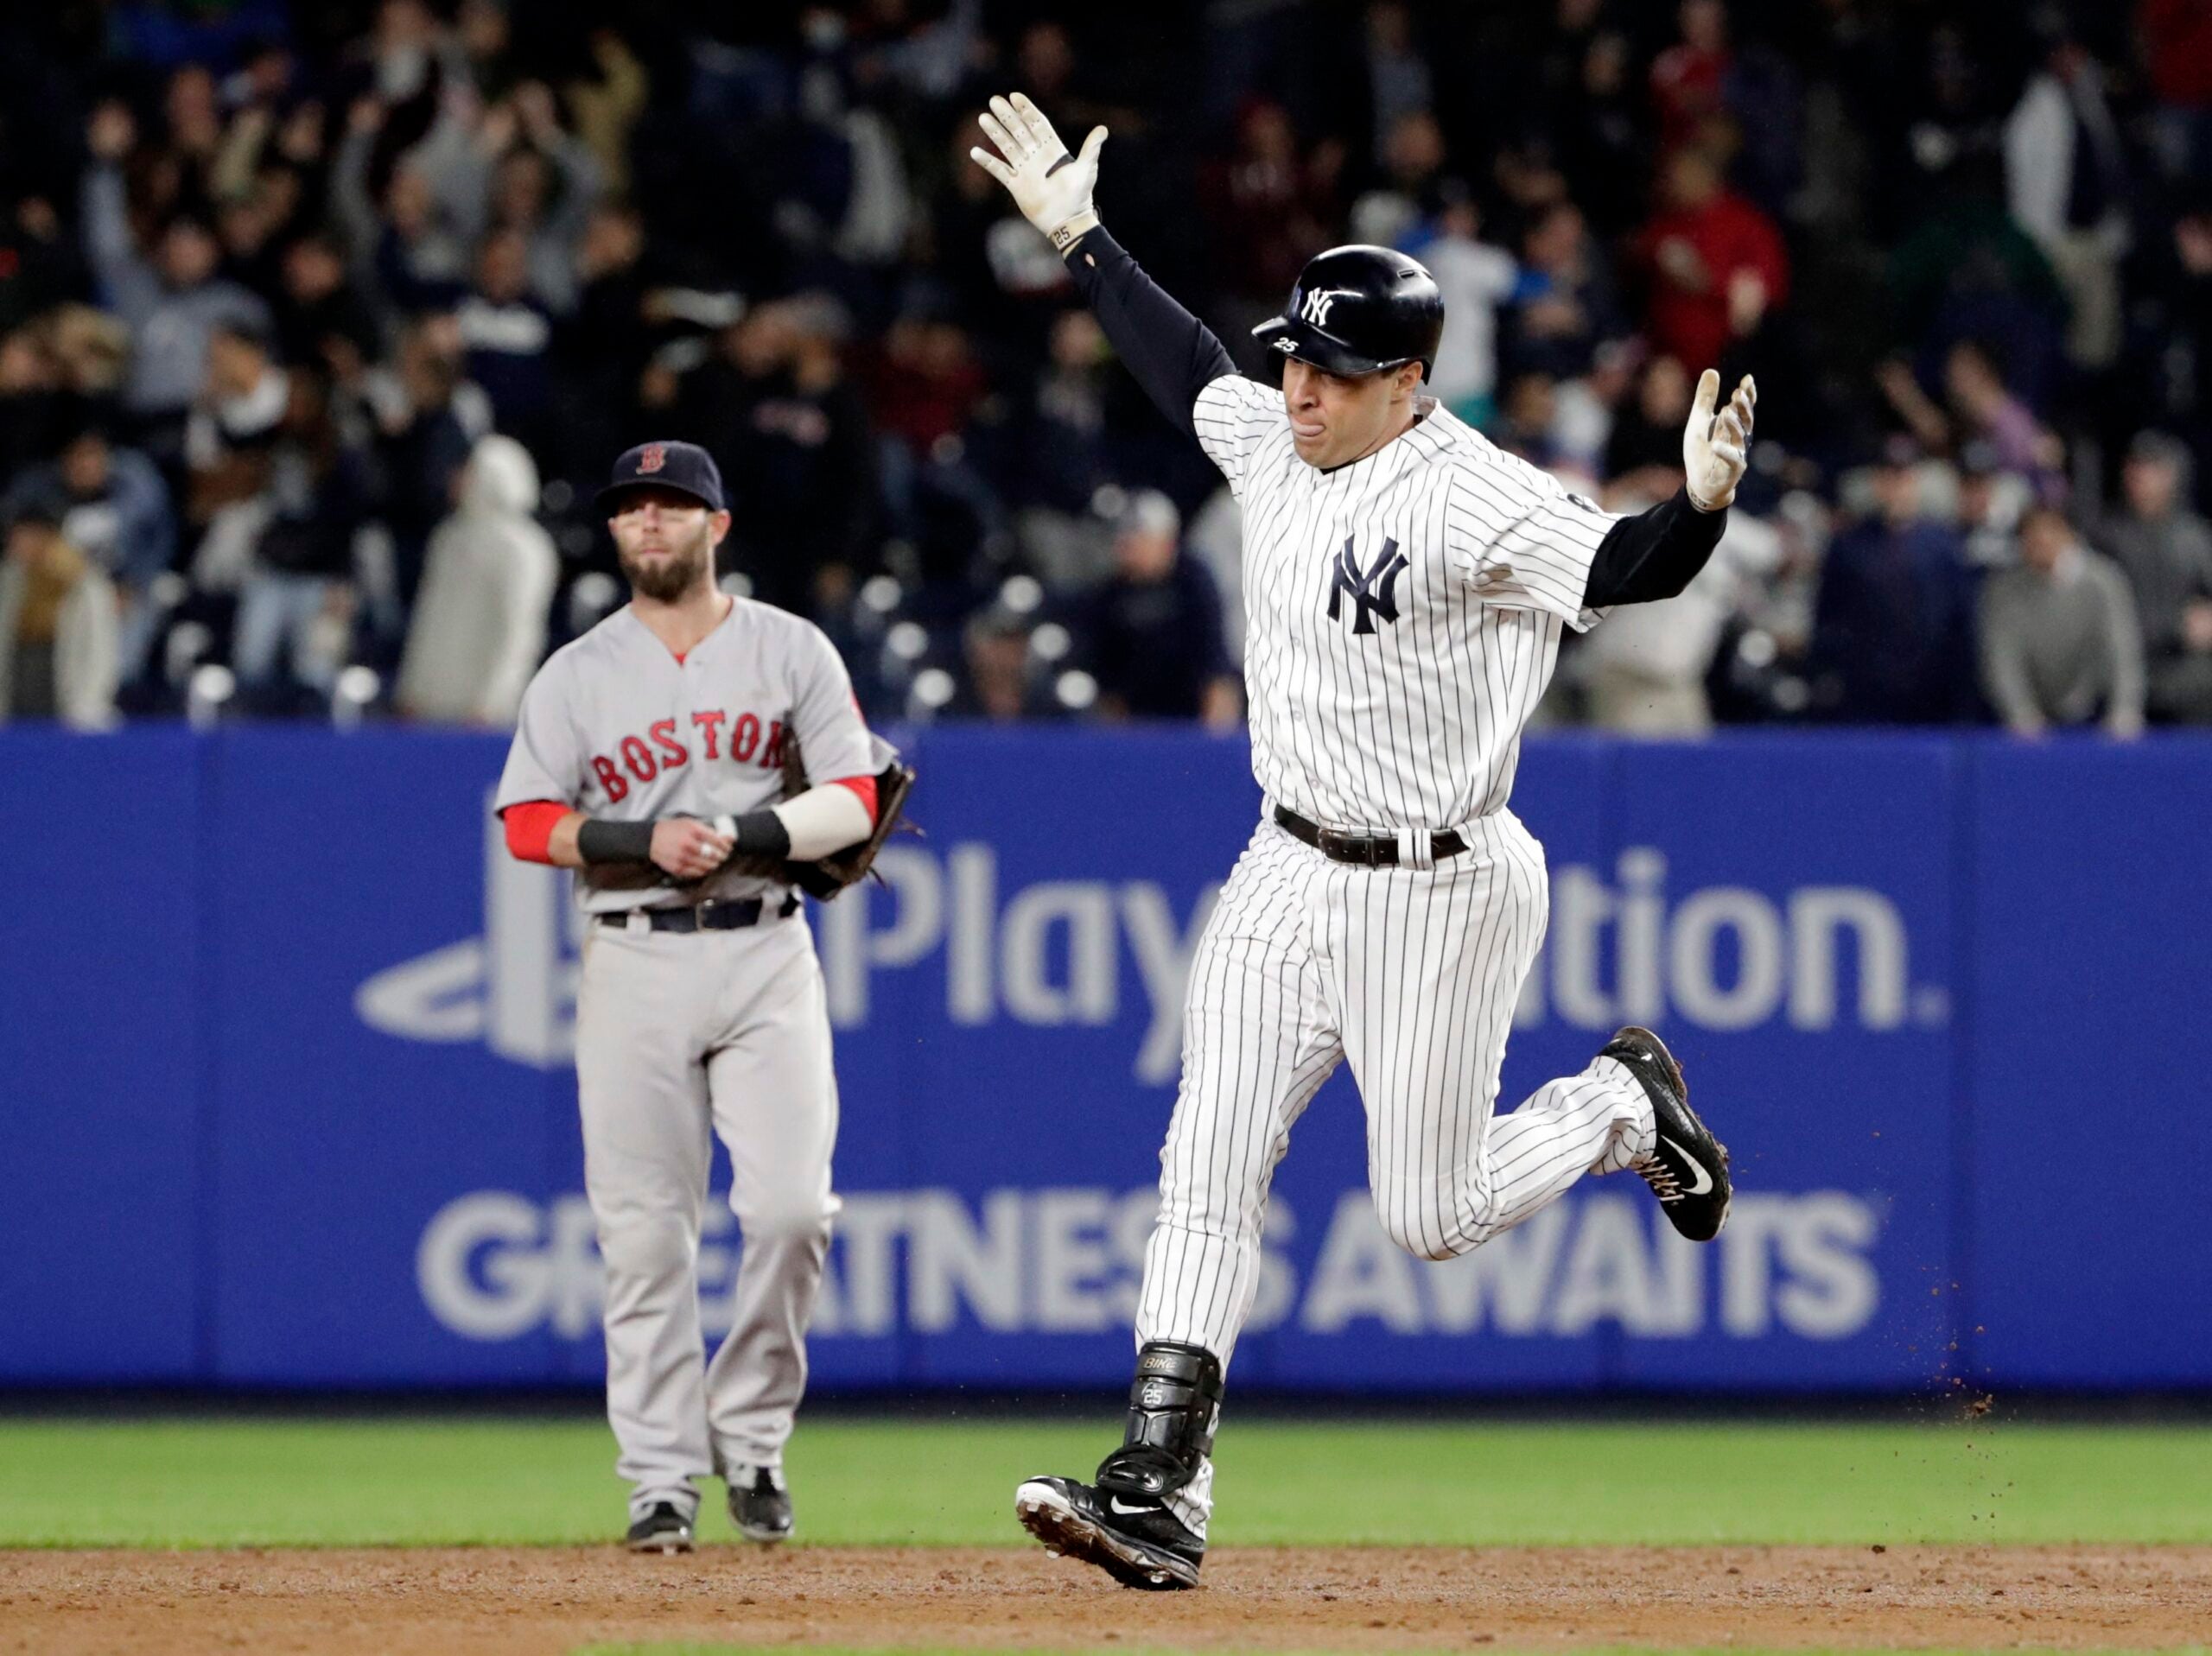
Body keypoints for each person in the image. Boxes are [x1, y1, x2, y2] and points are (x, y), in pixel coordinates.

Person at [971, 92, 1746, 1590]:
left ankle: (1619, 1108)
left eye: (1329, 369)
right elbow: (1179, 360)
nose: (1298, 388)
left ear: (1406, 378)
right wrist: (1075, 233)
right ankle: (1160, 1484)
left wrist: (1701, 506)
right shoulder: (1272, 440)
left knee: (1433, 1217)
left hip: (1441, 884)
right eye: (1295, 358)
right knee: (1203, 1163)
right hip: (1285, 862)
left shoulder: (1478, 497)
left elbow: (1627, 562)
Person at [493, 440, 880, 1554]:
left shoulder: (788, 649)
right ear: (613, 532)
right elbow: (527, 824)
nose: (649, 523)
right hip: (632, 954)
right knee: (645, 1238)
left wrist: (749, 833)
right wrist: (641, 838)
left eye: (672, 506)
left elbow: (855, 795)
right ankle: (661, 1477)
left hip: (764, 945)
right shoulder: (576, 672)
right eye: (632, 509)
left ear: (717, 526)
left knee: (792, 1214)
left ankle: (751, 1436)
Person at [396, 433, 556, 725]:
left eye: (468, 469)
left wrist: (494, 701)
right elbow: (428, 619)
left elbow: (519, 629)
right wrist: (412, 688)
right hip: (431, 706)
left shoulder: (524, 547)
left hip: (480, 713)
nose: (457, 478)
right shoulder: (448, 537)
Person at [1978, 505, 2145, 739]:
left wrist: (2125, 710)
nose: (2041, 540)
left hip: (2093, 707)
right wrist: (2021, 714)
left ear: (2070, 534)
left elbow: (2122, 650)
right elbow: (2002, 659)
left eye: (2050, 530)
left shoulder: (2104, 582)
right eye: (2032, 533)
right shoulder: (2004, 591)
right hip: (2031, 716)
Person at [1084, 492, 1242, 729]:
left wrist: (1214, 743)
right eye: (1125, 539)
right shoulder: (1112, 594)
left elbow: (1216, 670)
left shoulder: (1193, 582)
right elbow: (1108, 684)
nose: (1128, 549)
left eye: (1139, 538)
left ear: (1166, 542)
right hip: (1138, 723)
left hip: (1191, 718)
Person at [2087, 432, 2212, 724]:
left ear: (2173, 475)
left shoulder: (2195, 536)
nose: (2139, 475)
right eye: (2135, 466)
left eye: (2151, 467)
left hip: (2184, 663)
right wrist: (2172, 628)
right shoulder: (2105, 535)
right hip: (2121, 659)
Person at [0, 507, 119, 728]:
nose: (15, 542)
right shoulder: (10, 581)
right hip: (17, 695)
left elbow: (100, 651)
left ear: (45, 537)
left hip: (69, 703)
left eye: (23, 535)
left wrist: (89, 705)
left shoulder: (85, 585)